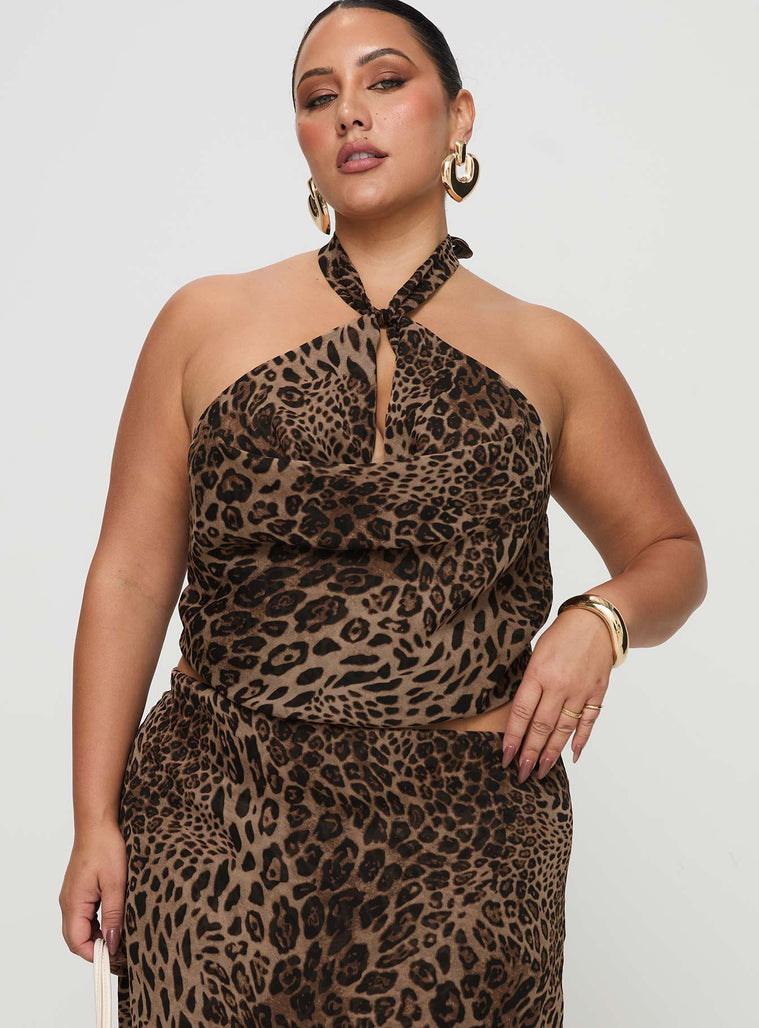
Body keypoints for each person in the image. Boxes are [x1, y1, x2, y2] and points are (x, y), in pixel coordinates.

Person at [58, 1, 708, 1025]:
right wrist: (94, 817)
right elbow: (131, 574)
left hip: (468, 859)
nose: (349, 113)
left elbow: (671, 552)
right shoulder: (203, 323)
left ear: (459, 118)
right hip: (218, 823)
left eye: (386, 81)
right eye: (318, 97)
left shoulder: (550, 353)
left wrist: (601, 620)